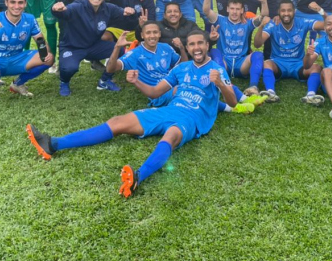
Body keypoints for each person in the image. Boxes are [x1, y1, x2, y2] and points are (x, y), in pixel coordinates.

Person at [26, 29, 239, 198]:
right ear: (189, 48)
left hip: (191, 118)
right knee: (118, 122)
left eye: (200, 43)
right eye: (192, 44)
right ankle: (54, 144)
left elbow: (233, 102)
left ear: (207, 45)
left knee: (171, 136)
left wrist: (221, 84)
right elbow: (156, 92)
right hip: (169, 109)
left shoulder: (216, 71)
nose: (196, 47)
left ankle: (137, 177)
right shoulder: (180, 69)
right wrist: (136, 81)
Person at [51, 0, 139, 95]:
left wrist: (130, 12)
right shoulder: (77, 6)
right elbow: (64, 12)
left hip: (94, 46)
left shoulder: (108, 8)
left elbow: (124, 15)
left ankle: (105, 80)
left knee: (120, 49)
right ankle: (64, 82)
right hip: (72, 47)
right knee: (69, 68)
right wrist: (56, 9)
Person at [253, 0, 324, 104]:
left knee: (316, 67)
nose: (286, 13)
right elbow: (257, 44)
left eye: (289, 10)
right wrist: (262, 26)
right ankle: (270, 92)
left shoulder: (302, 22)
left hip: (298, 64)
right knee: (267, 63)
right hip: (278, 63)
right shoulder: (273, 24)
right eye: (283, 11)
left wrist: (321, 11)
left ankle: (311, 95)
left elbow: (326, 25)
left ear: (294, 11)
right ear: (279, 12)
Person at [204, 0, 268, 94]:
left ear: (242, 10)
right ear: (227, 9)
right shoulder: (220, 20)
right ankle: (225, 83)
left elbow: (264, 15)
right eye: (232, 8)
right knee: (214, 51)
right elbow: (206, 10)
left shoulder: (247, 23)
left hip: (241, 63)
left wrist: (264, 1)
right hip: (224, 62)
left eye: (238, 9)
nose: (234, 12)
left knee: (258, 55)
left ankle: (253, 87)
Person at [105, 23, 180, 107]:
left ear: (159, 34)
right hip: (158, 93)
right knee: (184, 92)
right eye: (148, 33)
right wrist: (117, 47)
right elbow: (110, 69)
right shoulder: (135, 54)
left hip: (172, 83)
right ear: (142, 35)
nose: (152, 36)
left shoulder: (165, 47)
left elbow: (180, 64)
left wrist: (182, 48)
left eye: (155, 32)